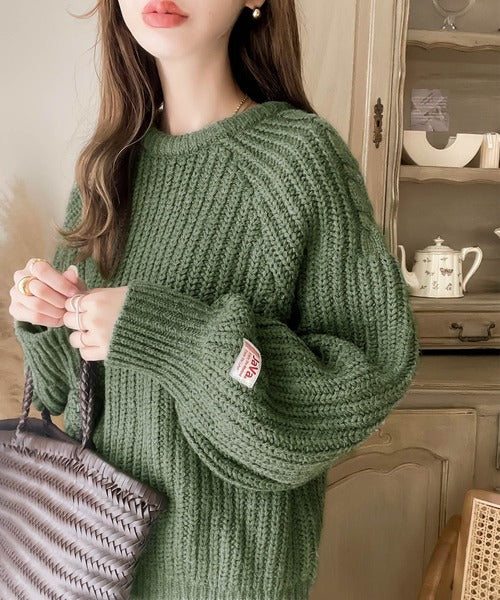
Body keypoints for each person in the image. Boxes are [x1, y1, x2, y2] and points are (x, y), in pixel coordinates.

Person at [9, 1, 420, 598]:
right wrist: (42, 315)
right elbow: (58, 394)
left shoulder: (298, 160)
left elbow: (365, 374)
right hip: (85, 568)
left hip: (226, 578)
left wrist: (173, 339)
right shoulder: (106, 170)